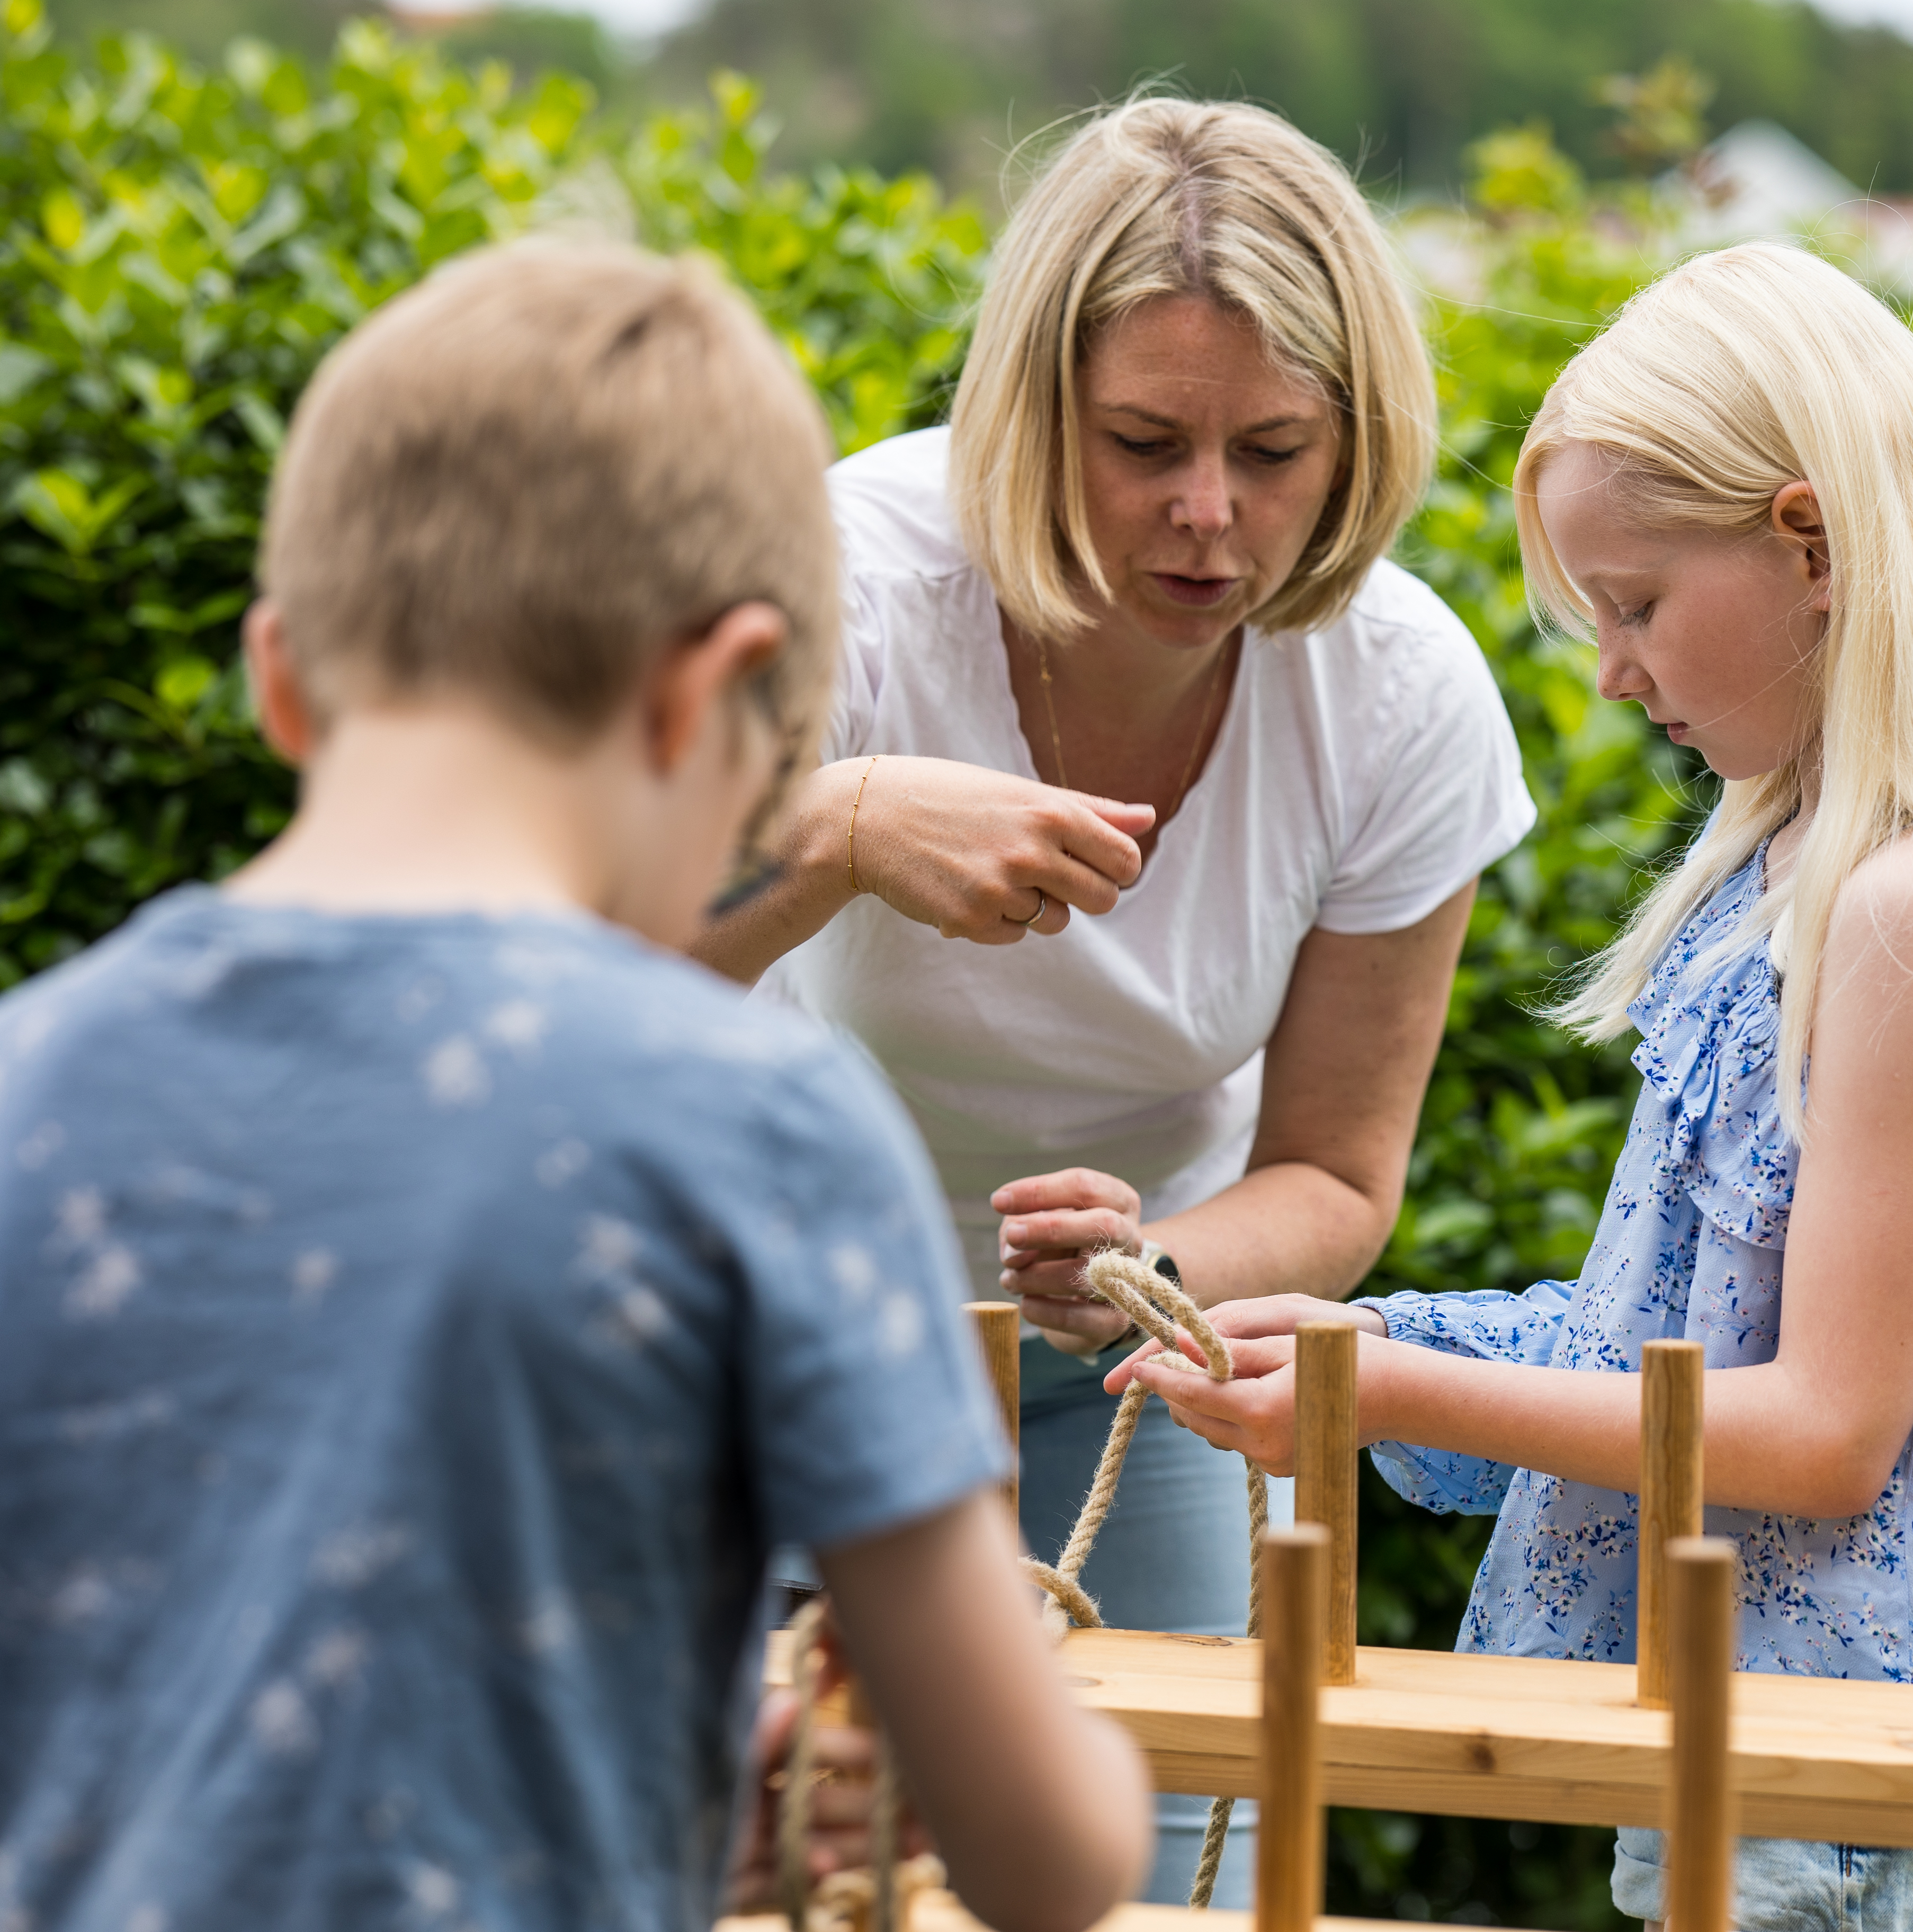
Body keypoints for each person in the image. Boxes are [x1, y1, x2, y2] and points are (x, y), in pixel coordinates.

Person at [0, 240, 1149, 1932]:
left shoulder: (33, 1075)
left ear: (276, 677)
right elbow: (1043, 1857)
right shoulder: (759, 1130)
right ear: (712, 694)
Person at [1105, 240, 1913, 1932]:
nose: (1611, 668)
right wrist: (1383, 1346)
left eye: (1638, 604)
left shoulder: (1908, 910)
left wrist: (1391, 1395)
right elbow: (1673, 1354)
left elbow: (1821, 1434)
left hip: (1885, 1806)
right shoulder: (1792, 880)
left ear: (1810, 545)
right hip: (1786, 1759)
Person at [694, 99, 1533, 1902]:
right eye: (1143, 440)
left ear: (1357, 440)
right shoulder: (850, 584)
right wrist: (839, 825)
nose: (1209, 517)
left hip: (1128, 1371)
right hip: (781, 1333)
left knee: (1154, 1884)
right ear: (1025, 411)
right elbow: (605, 986)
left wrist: (1146, 1261)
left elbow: (1335, 1173)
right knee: (756, 1864)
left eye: (1277, 451)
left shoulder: (1401, 695)